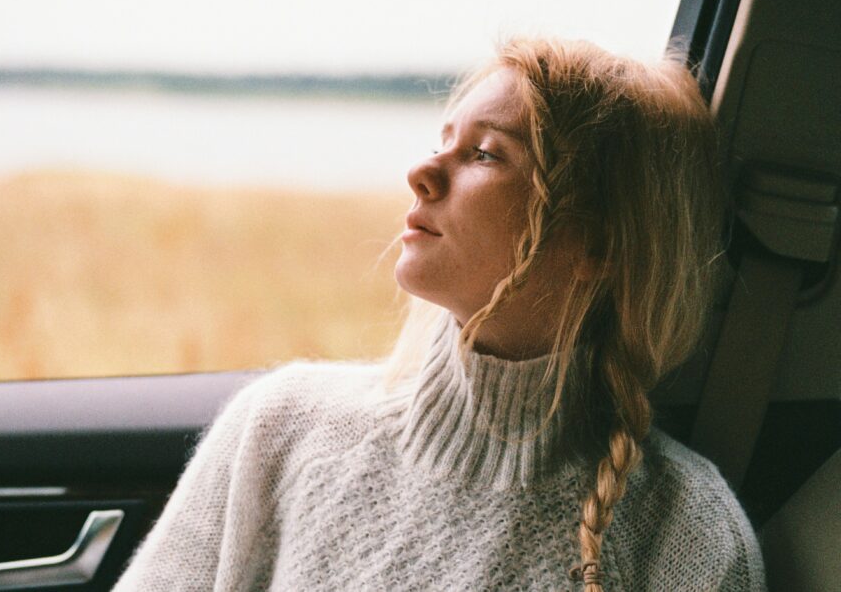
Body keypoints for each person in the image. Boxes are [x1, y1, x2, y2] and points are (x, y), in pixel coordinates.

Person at [114, 38, 766, 591]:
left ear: (598, 243)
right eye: (442, 140)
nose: (421, 173)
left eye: (485, 153)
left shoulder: (690, 533)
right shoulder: (282, 425)